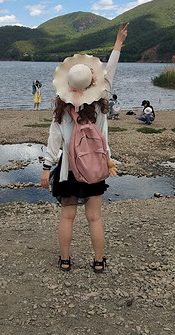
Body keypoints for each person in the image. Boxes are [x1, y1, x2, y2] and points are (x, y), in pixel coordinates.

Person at [40, 22, 129, 273]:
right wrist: (118, 44)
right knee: (95, 217)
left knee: (67, 217)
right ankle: (99, 262)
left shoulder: (61, 109)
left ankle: (66, 261)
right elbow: (109, 73)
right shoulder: (102, 103)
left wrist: (47, 168)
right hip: (96, 167)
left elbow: (53, 141)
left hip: (69, 170)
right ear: (92, 82)